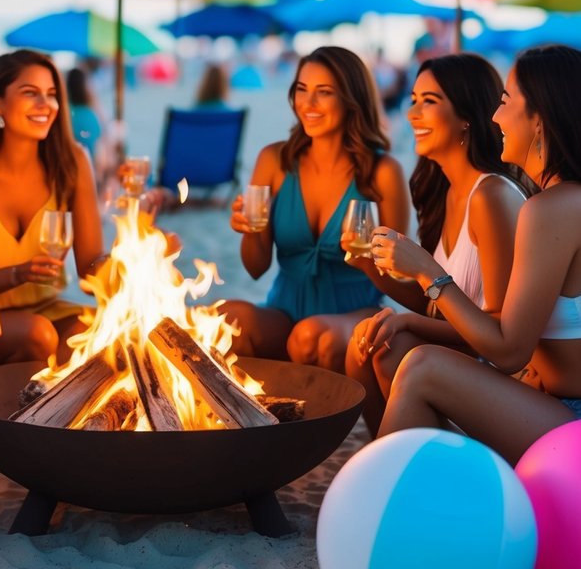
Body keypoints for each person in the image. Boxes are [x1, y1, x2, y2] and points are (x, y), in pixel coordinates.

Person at [376, 44, 581, 464]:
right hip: (552, 402)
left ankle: (378, 508)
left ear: (539, 119)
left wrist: (428, 272)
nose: (494, 117)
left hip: (571, 423)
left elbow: (507, 352)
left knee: (422, 367)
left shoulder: (552, 209)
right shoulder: (560, 202)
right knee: (405, 357)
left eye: (506, 101)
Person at [345, 54, 526, 433]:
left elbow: (497, 330)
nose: (412, 114)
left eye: (429, 101)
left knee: (391, 344)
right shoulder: (447, 190)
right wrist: (368, 266)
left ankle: (403, 461)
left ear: (466, 115)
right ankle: (390, 452)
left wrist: (408, 316)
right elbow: (438, 305)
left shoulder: (491, 196)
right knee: (367, 343)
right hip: (465, 352)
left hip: (501, 372)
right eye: (413, 100)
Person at [225, 46, 410, 363]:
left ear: (351, 100)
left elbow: (399, 280)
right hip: (284, 311)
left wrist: (367, 259)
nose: (307, 104)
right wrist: (251, 230)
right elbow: (255, 269)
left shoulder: (383, 172)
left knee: (310, 336)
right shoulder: (273, 160)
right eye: (301, 89)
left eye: (323, 92)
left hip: (353, 315)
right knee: (225, 318)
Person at [0, 49, 106, 364]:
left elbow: (90, 269)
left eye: (52, 94)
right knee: (38, 333)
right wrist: (19, 274)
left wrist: (138, 246)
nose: (46, 105)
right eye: (31, 93)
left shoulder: (74, 162)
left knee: (106, 330)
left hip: (51, 309)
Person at [66, 65, 110, 190]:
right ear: (85, 88)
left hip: (68, 178)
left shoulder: (65, 113)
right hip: (87, 178)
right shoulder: (90, 116)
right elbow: (101, 158)